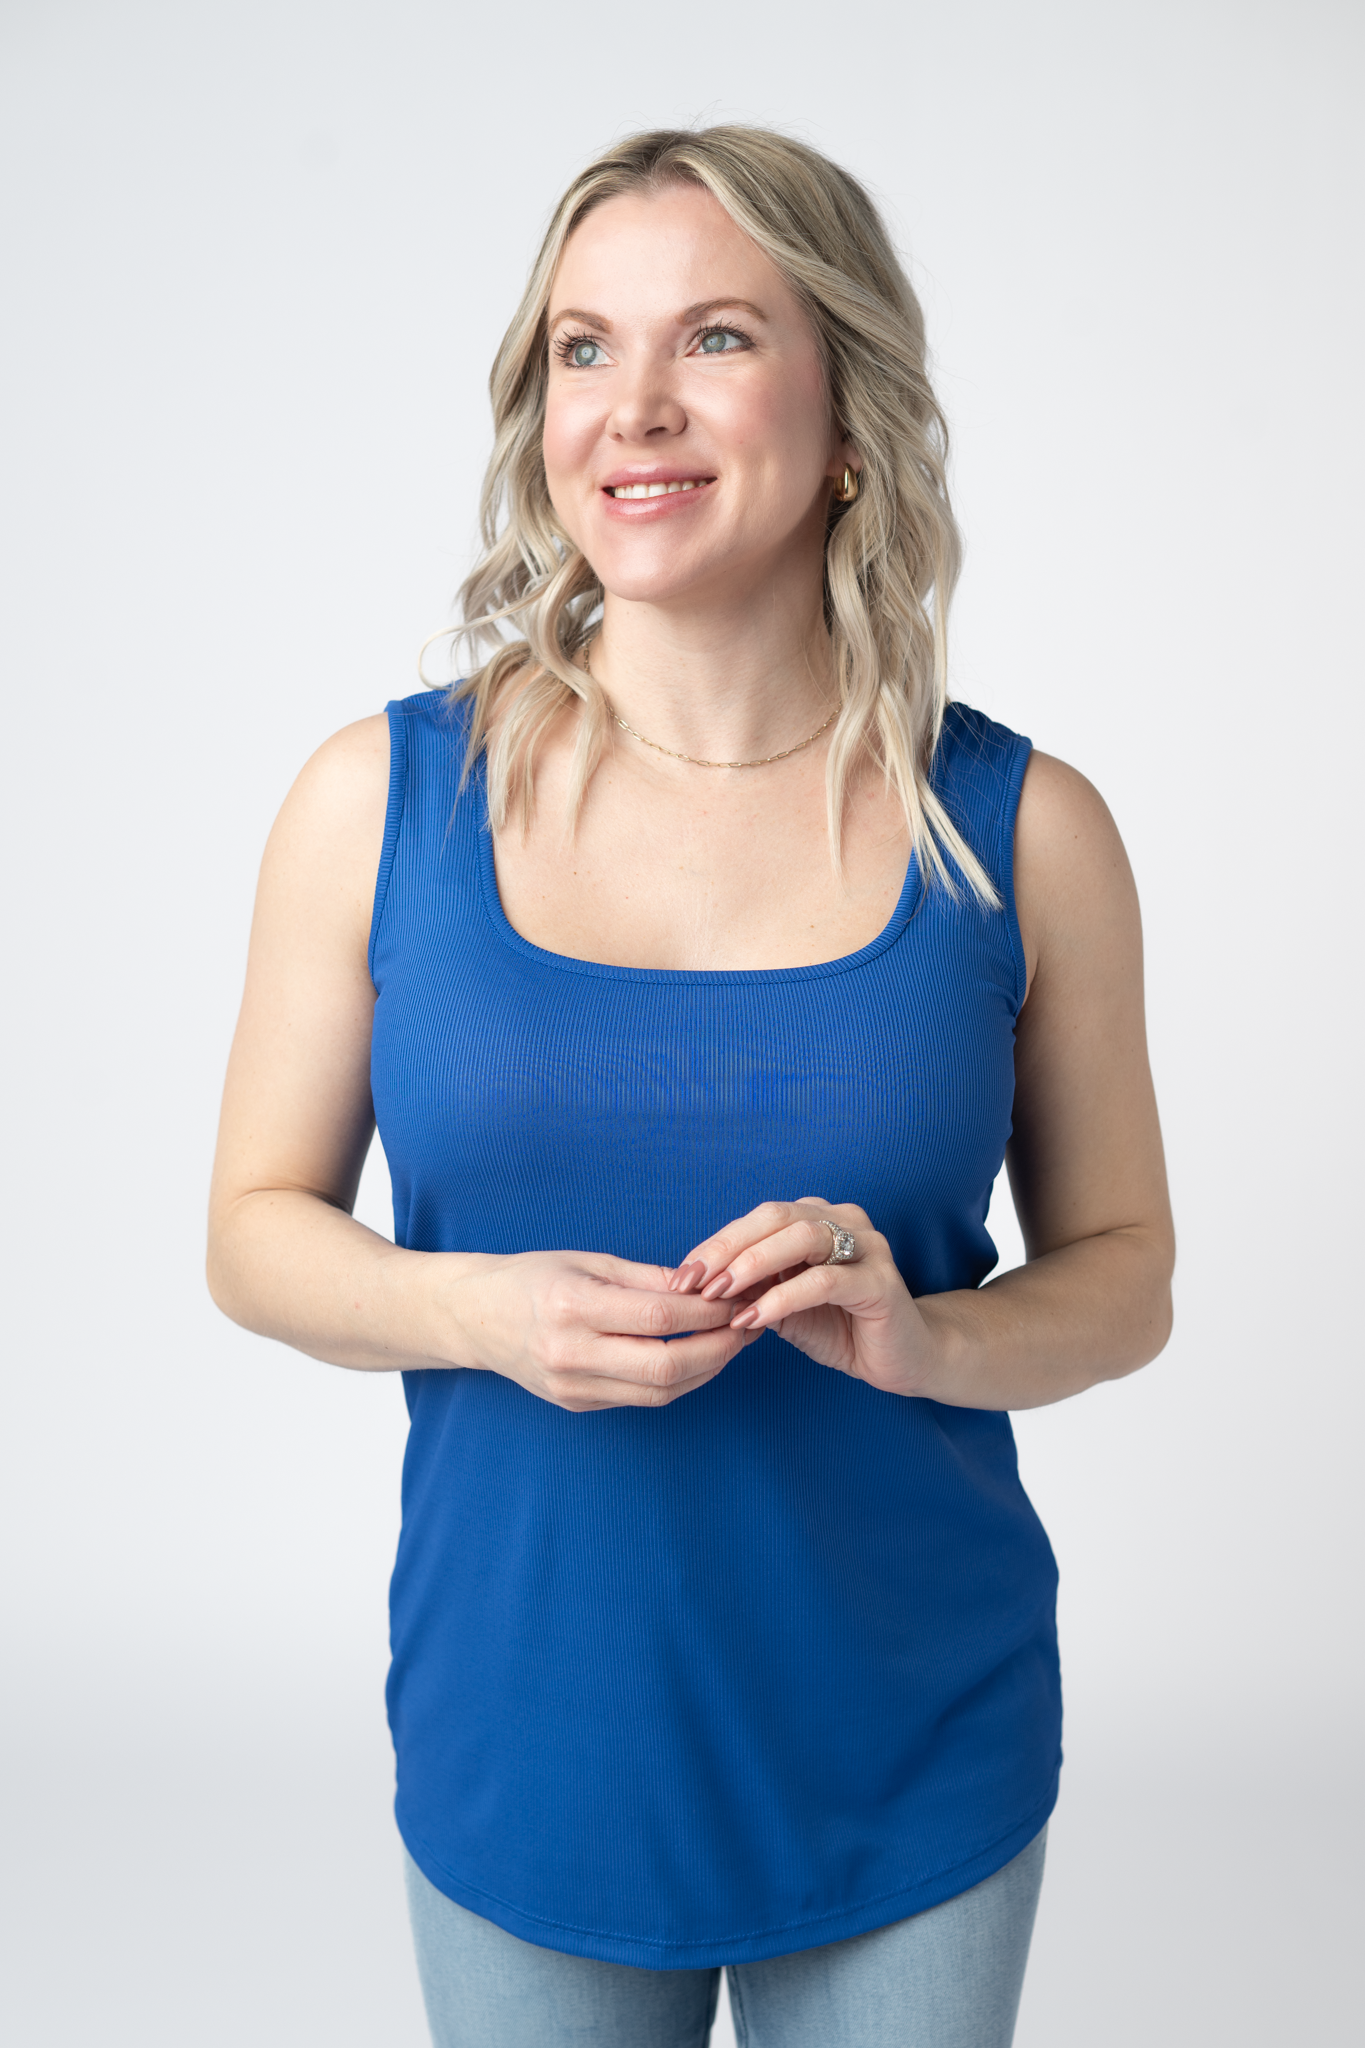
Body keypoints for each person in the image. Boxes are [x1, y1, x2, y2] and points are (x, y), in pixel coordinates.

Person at [207, 125, 1174, 2048]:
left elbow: (1128, 1274)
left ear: (848, 412)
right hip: (532, 1736)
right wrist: (471, 1307)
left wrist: (927, 1344)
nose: (630, 408)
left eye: (714, 338)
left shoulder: (1020, 831)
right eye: (581, 349)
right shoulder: (376, 804)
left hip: (913, 1742)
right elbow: (253, 1234)